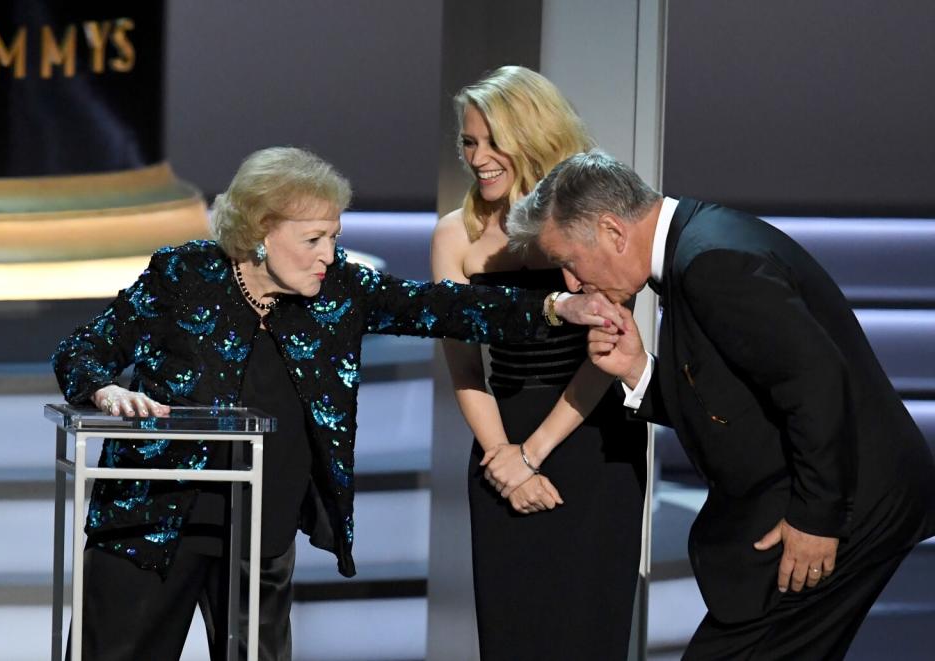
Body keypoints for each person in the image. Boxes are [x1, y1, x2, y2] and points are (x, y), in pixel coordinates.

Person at [51, 146, 613, 661]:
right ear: (261, 230)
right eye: (314, 239)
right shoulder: (184, 274)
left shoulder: (341, 289)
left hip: (259, 535)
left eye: (334, 238)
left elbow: (442, 307)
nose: (329, 255)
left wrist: (555, 308)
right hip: (150, 524)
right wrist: (106, 389)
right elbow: (83, 348)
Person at [506, 149, 935, 660]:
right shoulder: (698, 248)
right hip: (834, 499)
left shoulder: (714, 262)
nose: (571, 284)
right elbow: (733, 404)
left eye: (568, 263)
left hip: (850, 506)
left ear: (613, 231)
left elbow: (817, 382)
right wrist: (637, 370)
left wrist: (819, 519)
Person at [432, 67, 648, 659]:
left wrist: (533, 454)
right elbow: (463, 365)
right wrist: (504, 458)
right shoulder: (455, 235)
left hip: (591, 439)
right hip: (499, 444)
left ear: (532, 135)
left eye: (491, 141)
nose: (478, 158)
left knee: (585, 632)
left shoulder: (591, 221)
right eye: (468, 142)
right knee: (511, 633)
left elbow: (608, 352)